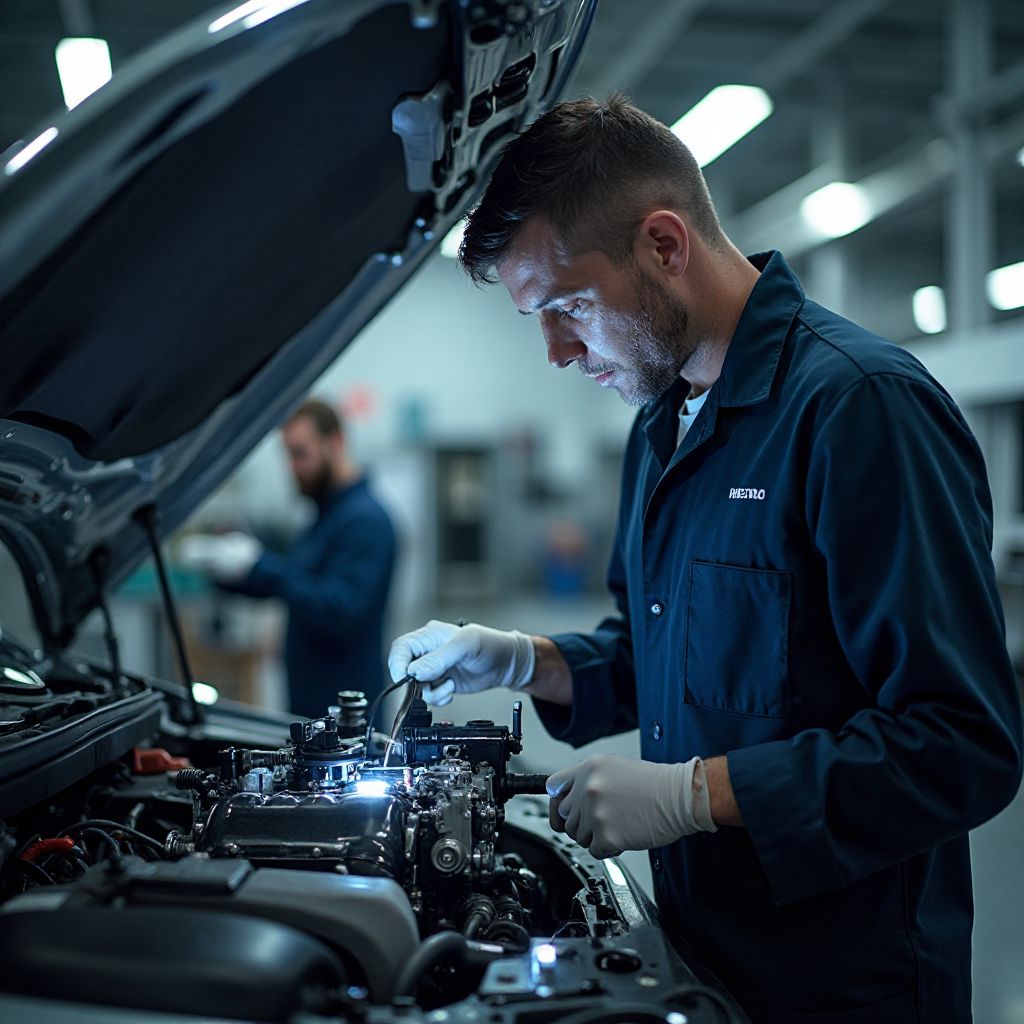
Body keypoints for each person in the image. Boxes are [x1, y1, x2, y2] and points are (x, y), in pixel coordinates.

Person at [388, 97, 1023, 1022]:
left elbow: (963, 744)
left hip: (844, 981)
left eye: (566, 307)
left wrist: (696, 794)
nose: (557, 352)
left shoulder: (858, 409)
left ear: (664, 244)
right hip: (699, 950)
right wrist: (528, 661)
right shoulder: (661, 425)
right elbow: (665, 657)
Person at [185, 399, 396, 717]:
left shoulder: (365, 521)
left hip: (350, 720)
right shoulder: (325, 516)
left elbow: (337, 609)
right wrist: (231, 571)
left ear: (335, 442)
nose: (293, 468)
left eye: (301, 454)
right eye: (288, 455)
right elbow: (295, 584)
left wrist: (259, 565)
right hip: (314, 711)